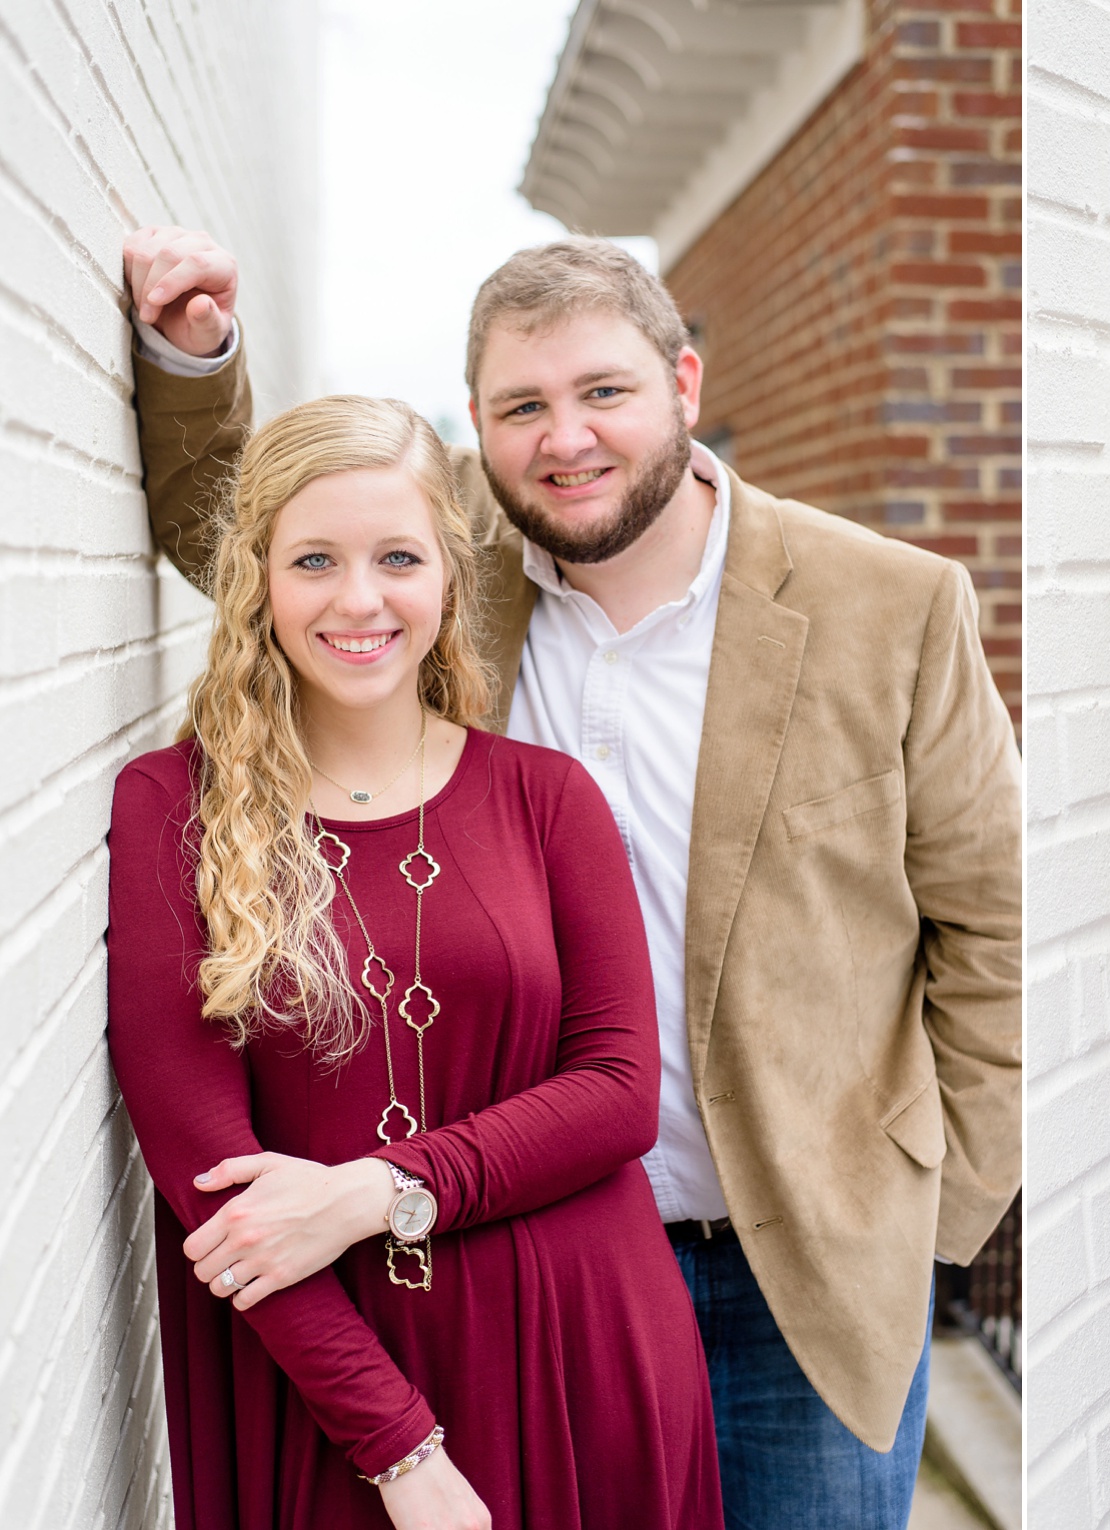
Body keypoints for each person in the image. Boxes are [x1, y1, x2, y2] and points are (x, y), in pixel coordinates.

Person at [121, 226, 1022, 1529]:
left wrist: (937, 1211)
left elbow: (992, 924)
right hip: (522, 1255)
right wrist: (193, 356)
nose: (567, 438)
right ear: (477, 427)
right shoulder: (449, 577)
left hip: (806, 1280)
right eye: (522, 406)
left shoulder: (891, 604)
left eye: (604, 391)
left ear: (686, 387)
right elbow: (264, 537)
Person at [106, 395, 721, 1529]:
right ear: (256, 580)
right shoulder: (168, 810)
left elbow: (617, 1094)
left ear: (449, 574)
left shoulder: (548, 799)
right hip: (320, 1390)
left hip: (578, 1342)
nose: (359, 599)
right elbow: (208, 1181)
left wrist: (375, 1194)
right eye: (313, 560)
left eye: (398, 556)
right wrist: (399, 1452)